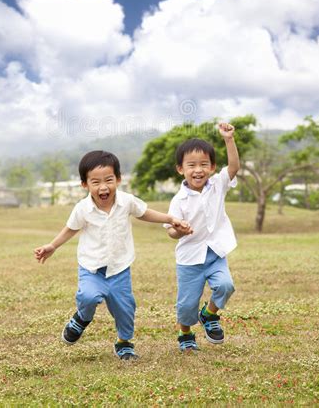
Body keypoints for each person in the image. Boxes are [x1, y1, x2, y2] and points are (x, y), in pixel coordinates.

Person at [34, 150, 192, 361]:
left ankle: (124, 342)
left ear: (118, 179)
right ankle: (81, 318)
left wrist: (171, 219)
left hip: (119, 268)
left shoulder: (127, 201)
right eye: (95, 182)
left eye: (109, 180)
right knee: (88, 297)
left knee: (125, 309)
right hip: (91, 268)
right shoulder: (82, 208)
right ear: (85, 184)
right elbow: (70, 229)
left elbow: (144, 213)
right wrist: (52, 246)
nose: (103, 187)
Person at [165, 123, 240, 352]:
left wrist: (229, 139)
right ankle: (185, 332)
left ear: (212, 167)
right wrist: (179, 229)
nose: (198, 170)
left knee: (226, 286)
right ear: (181, 169)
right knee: (187, 305)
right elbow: (170, 231)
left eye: (204, 164)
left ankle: (209, 315)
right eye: (191, 165)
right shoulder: (179, 200)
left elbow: (234, 167)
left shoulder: (218, 184)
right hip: (190, 259)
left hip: (215, 252)